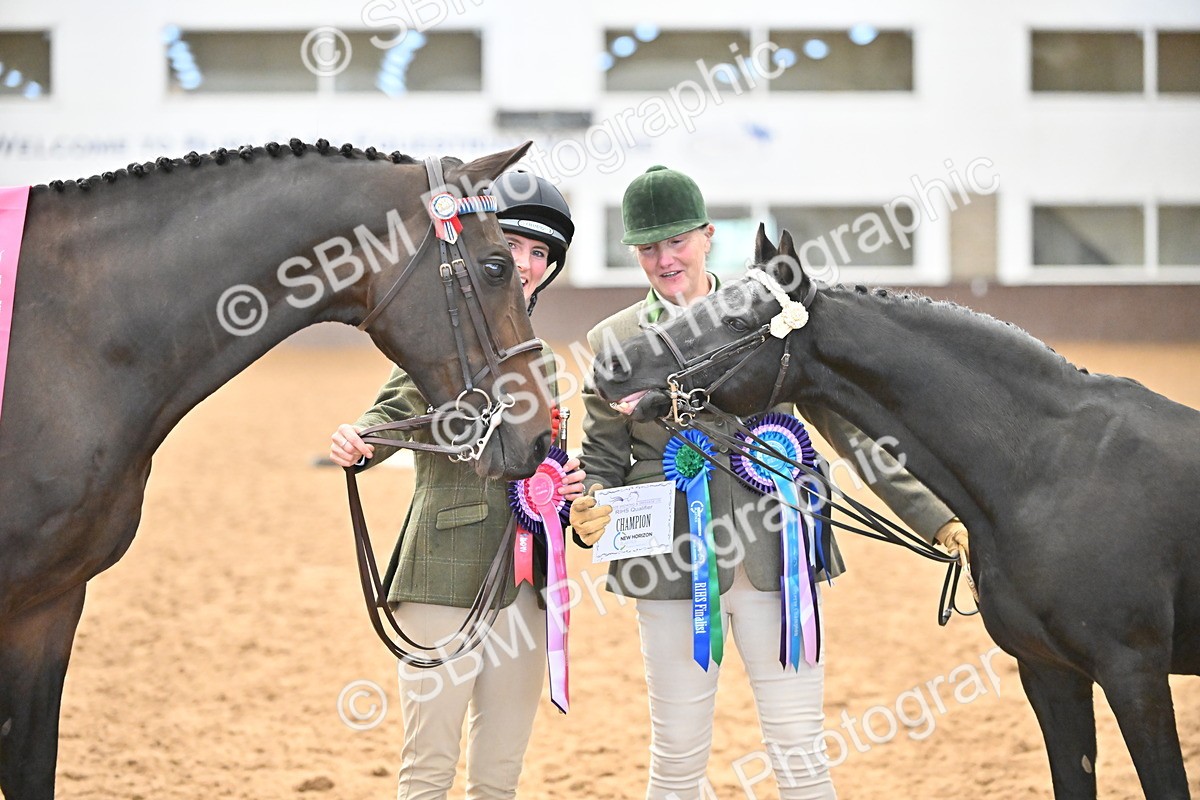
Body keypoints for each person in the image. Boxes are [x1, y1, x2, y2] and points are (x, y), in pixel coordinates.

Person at [570, 165, 970, 800]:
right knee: (675, 760)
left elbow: (850, 434)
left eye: (677, 241)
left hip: (776, 559)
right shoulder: (614, 341)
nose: (665, 258)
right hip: (671, 574)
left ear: (707, 237)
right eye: (649, 247)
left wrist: (933, 515)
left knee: (802, 754)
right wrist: (585, 512)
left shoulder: (768, 315)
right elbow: (599, 459)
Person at [329, 170, 585, 800]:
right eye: (515, 246)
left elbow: (541, 467)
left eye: (539, 254)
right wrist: (361, 441)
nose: (526, 265)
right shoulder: (444, 343)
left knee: (500, 776)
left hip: (526, 588)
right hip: (443, 574)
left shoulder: (546, 362)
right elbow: (391, 412)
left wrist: (569, 482)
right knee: (428, 769)